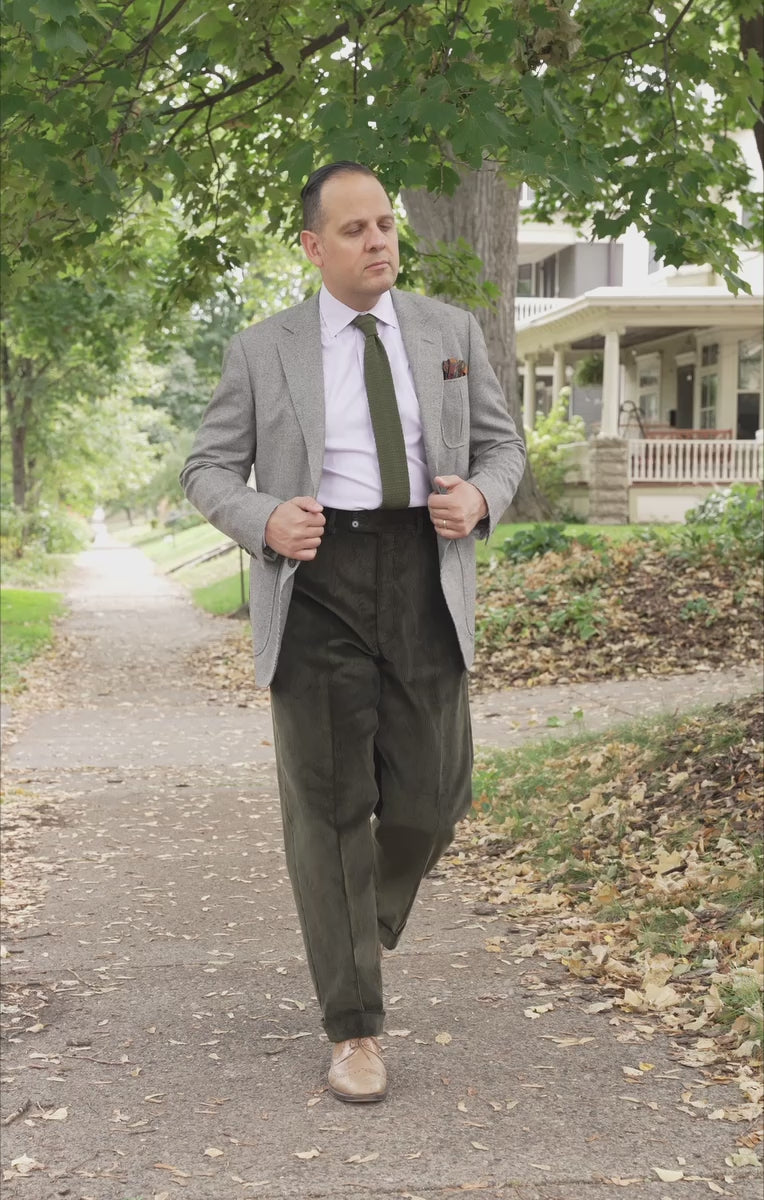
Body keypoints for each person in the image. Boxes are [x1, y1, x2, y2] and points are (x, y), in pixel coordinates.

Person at [180, 161, 526, 1103]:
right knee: (330, 815)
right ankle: (355, 1030)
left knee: (434, 796)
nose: (380, 241)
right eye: (356, 230)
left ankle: (347, 909)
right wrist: (263, 521)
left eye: (386, 224)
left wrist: (481, 497)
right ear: (313, 246)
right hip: (318, 579)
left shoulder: (448, 332)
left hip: (424, 573)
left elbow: (503, 446)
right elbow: (207, 468)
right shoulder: (263, 350)